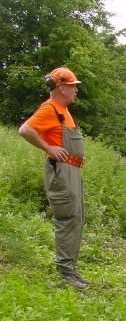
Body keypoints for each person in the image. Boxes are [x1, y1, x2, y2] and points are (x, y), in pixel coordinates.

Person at [18, 67, 88, 290]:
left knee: (75, 217)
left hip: (71, 171)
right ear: (61, 87)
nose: (76, 89)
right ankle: (65, 273)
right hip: (61, 172)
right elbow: (25, 130)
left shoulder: (63, 109)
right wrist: (48, 147)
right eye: (73, 86)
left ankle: (71, 270)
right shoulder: (49, 109)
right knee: (67, 219)